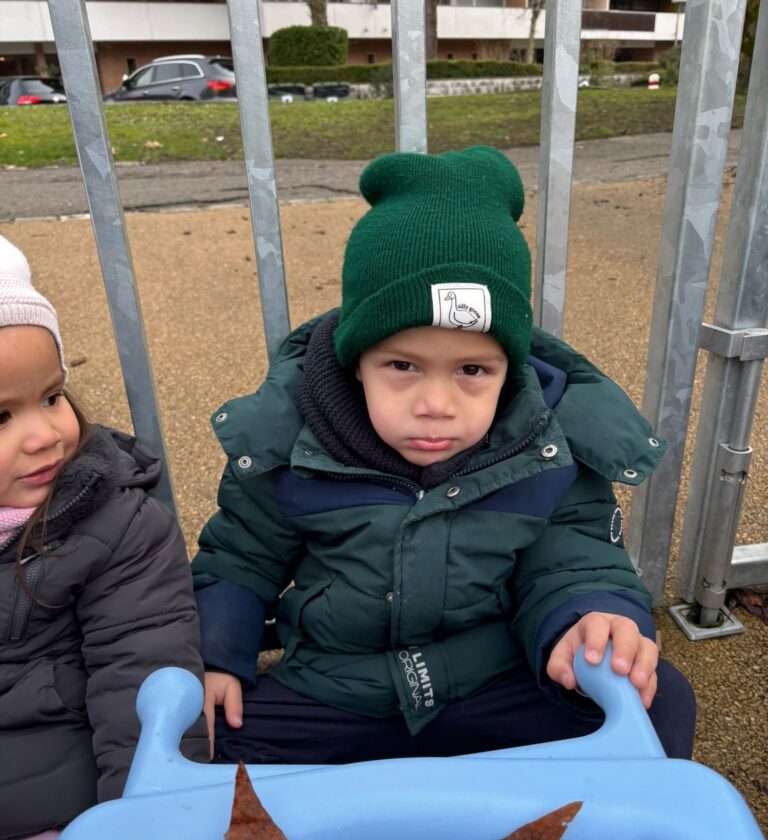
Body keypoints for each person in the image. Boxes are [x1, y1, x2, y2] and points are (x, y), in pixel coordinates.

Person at [193, 146, 696, 767]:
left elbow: (574, 562)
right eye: (403, 366)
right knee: (200, 735)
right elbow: (240, 559)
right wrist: (218, 656)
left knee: (657, 702)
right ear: (356, 362)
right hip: (336, 693)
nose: (436, 404)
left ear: (510, 367)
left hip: (493, 684)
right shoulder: (290, 439)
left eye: (472, 370)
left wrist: (591, 618)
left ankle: (586, 826)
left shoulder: (546, 443)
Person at [0, 235, 209, 840]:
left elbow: (142, 678)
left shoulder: (114, 525)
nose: (45, 434)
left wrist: (139, 835)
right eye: (0, 417)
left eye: (51, 396)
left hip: (63, 813)